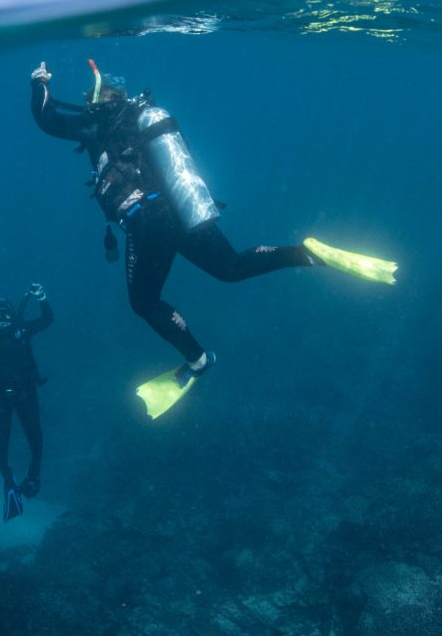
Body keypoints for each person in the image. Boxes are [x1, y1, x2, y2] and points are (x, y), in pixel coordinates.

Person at [30, 59, 398, 418]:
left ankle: (198, 360)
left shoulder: (99, 124)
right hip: (180, 209)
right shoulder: (138, 120)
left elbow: (47, 119)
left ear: (97, 103)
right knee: (230, 267)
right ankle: (306, 254)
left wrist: (39, 83)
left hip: (148, 220)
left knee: (143, 302)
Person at [0, 284, 53, 521]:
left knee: (34, 433)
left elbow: (47, 319)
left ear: (13, 317)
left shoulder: (21, 330)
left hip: (25, 392)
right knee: (0, 440)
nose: (2, 319)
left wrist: (42, 298)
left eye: (6, 315)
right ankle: (9, 480)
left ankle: (34, 472)